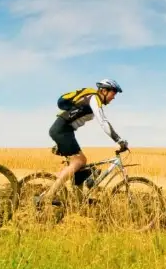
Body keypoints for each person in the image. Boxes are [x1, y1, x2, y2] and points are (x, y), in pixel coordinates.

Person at [36, 79, 128, 208]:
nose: (113, 98)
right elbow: (103, 122)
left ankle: (79, 202)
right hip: (62, 130)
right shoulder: (94, 99)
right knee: (78, 162)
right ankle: (48, 196)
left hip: (65, 130)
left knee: (81, 164)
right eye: (113, 93)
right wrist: (119, 140)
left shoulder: (93, 99)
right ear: (104, 90)